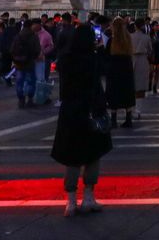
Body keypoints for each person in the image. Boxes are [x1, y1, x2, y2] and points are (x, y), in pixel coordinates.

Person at [52, 23, 112, 216]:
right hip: (91, 111)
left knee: (72, 156)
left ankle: (70, 202)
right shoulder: (92, 59)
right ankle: (88, 198)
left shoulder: (65, 59)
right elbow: (102, 75)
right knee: (93, 154)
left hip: (71, 112)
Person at [104, 17, 136, 128]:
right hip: (126, 68)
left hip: (114, 69)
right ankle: (128, 119)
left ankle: (113, 120)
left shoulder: (111, 41)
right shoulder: (128, 39)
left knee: (113, 93)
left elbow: (106, 55)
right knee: (127, 93)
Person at [10, 19, 42, 108]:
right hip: (30, 62)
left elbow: (12, 49)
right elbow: (37, 49)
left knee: (19, 81)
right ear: (31, 26)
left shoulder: (18, 36)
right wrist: (34, 57)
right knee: (31, 81)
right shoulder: (34, 36)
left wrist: (15, 59)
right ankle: (30, 99)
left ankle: (21, 99)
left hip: (19, 63)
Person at [130, 19, 152, 104]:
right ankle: (138, 110)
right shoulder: (146, 37)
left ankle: (131, 107)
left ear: (135, 26)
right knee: (141, 86)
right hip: (143, 59)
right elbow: (150, 51)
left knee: (131, 84)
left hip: (131, 59)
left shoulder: (130, 36)